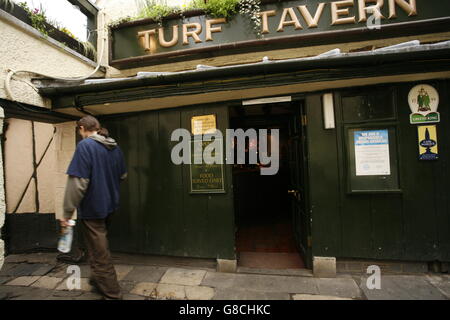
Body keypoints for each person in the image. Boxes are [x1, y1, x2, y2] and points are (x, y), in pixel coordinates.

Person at [61, 115, 127, 300]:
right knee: (97, 247)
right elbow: (123, 175)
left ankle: (113, 294)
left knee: (99, 253)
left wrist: (67, 212)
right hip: (110, 205)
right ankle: (97, 281)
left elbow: (78, 183)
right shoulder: (114, 147)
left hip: (93, 208)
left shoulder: (85, 146)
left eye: (79, 130)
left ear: (82, 128)